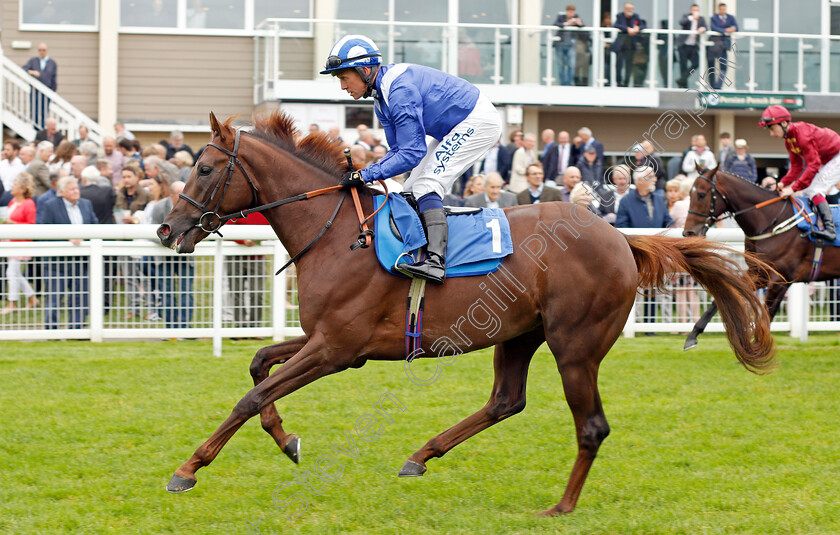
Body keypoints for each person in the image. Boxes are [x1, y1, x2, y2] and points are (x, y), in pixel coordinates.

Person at [321, 35, 503, 284]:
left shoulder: (398, 91)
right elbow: (398, 150)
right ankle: (416, 251)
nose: (342, 86)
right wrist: (366, 172)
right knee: (410, 189)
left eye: (343, 78)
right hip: (453, 127)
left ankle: (437, 262)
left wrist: (366, 174)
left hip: (477, 121)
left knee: (427, 186)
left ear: (364, 70)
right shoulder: (381, 99)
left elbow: (411, 154)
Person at [759, 105, 840, 241]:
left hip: (836, 156)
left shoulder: (803, 135)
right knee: (808, 190)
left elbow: (813, 166)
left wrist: (792, 188)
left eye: (772, 128)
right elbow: (796, 167)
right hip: (826, 160)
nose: (771, 134)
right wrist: (783, 183)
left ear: (784, 123)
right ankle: (817, 224)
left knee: (815, 189)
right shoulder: (789, 141)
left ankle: (830, 229)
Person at [37, 176, 98, 329]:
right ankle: (52, 331)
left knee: (80, 296)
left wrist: (84, 238)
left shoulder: (86, 204)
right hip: (56, 263)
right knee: (55, 297)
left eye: (77, 188)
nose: (76, 191)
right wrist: (67, 239)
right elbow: (44, 233)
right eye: (72, 189)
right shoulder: (50, 206)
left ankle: (76, 329)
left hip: (81, 260)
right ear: (62, 192)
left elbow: (95, 225)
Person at [1, 174, 39, 315]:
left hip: (20, 243)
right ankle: (32, 298)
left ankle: (12, 303)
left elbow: (31, 225)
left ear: (23, 189)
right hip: (10, 242)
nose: (12, 186)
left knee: (11, 273)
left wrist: (14, 224)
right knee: (16, 273)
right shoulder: (12, 202)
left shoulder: (29, 204)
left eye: (15, 184)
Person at [22, 43, 57, 128]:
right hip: (35, 91)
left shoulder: (52, 63)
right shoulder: (33, 61)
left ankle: (41, 128)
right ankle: (35, 128)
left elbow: (54, 79)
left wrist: (53, 92)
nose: (42, 52)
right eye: (40, 50)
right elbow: (24, 68)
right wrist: (32, 72)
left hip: (46, 92)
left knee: (44, 112)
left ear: (47, 51)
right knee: (34, 111)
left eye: (44, 50)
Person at [612, 3, 646, 87]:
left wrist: (637, 28)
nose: (630, 10)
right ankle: (618, 82)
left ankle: (626, 83)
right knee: (619, 65)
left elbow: (643, 25)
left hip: (630, 45)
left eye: (631, 9)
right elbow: (616, 25)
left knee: (629, 65)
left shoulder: (635, 17)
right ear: (624, 9)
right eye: (628, 8)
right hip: (620, 45)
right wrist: (627, 29)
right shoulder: (620, 16)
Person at [709, 3, 738, 90]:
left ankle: (718, 86)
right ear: (719, 10)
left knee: (724, 66)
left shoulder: (730, 18)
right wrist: (725, 30)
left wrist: (732, 29)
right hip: (714, 45)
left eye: (724, 9)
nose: (723, 11)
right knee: (711, 66)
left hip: (724, 46)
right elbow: (713, 27)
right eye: (721, 9)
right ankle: (712, 86)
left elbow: (736, 27)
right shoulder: (714, 18)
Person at [676, 4, 707, 88]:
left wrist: (702, 29)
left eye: (697, 10)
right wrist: (692, 17)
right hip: (684, 45)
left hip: (693, 46)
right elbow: (681, 22)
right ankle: (683, 85)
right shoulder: (687, 17)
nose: (696, 12)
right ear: (691, 10)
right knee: (683, 64)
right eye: (694, 10)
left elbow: (705, 27)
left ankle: (682, 79)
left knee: (696, 63)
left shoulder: (701, 19)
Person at [553, 5, 584, 86]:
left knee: (571, 64)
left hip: (571, 45)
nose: (572, 13)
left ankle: (569, 83)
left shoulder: (576, 17)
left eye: (573, 12)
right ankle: (562, 83)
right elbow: (556, 24)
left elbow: (582, 26)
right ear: (566, 11)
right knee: (561, 65)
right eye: (570, 11)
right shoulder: (561, 17)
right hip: (560, 44)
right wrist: (568, 23)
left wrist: (578, 23)